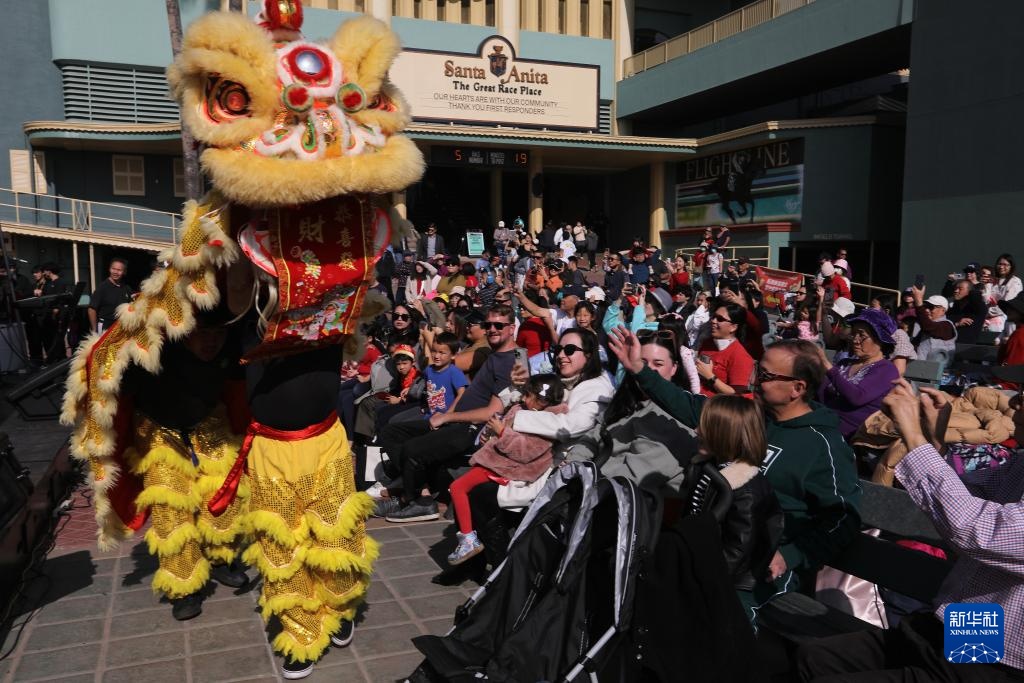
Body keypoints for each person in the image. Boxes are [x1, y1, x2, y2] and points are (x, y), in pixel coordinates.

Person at [609, 332, 861, 617]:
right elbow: (691, 407)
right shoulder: (751, 412)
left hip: (762, 569)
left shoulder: (823, 446)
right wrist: (641, 371)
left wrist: (791, 555)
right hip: (712, 548)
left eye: (765, 375)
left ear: (797, 388)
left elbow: (843, 518)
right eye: (757, 369)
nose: (755, 379)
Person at [796, 379, 1024, 682]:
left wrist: (914, 438)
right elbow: (967, 496)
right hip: (973, 625)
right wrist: (933, 440)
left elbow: (976, 528)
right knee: (813, 659)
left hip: (1000, 662)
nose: (1016, 401)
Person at [121, 313, 249, 621]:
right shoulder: (151, 350)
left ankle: (220, 559)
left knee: (222, 496)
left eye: (219, 331)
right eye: (203, 332)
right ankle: (184, 586)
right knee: (171, 509)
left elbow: (238, 388)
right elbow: (116, 384)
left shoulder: (231, 349)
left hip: (209, 423)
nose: (212, 340)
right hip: (158, 431)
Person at [375, 305, 518, 522]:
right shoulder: (493, 354)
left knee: (412, 448)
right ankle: (418, 490)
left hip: (470, 429)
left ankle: (416, 501)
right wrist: (445, 415)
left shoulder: (510, 362)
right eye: (488, 325)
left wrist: (447, 416)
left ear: (512, 328)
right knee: (391, 432)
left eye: (498, 325)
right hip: (453, 419)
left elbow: (491, 412)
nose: (492, 329)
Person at [680, 394, 784, 623]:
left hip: (723, 582)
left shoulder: (745, 489)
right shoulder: (708, 469)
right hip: (697, 564)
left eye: (706, 427)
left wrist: (694, 576)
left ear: (726, 435)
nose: (697, 430)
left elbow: (736, 552)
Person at [447, 374, 566, 565]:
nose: (524, 399)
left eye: (529, 396)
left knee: (458, 487)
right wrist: (490, 433)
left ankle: (468, 540)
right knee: (461, 489)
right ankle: (469, 542)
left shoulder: (548, 421)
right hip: (496, 461)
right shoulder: (523, 408)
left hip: (507, 467)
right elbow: (501, 428)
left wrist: (502, 432)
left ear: (543, 400)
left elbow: (526, 450)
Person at [817, 308, 900, 439]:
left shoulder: (887, 369)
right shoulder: (845, 363)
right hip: (823, 424)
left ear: (879, 340)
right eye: (854, 334)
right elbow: (821, 395)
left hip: (849, 436)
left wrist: (827, 366)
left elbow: (857, 397)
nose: (855, 340)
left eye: (861, 335)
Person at [693, 302, 755, 396]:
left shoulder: (741, 356)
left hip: (712, 406)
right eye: (714, 316)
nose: (713, 321)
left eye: (720, 319)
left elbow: (736, 395)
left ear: (733, 327)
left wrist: (710, 376)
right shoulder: (708, 343)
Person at [911, 287, 958, 363]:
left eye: (931, 307)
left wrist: (919, 303)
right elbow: (913, 345)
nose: (927, 310)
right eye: (926, 307)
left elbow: (928, 327)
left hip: (939, 371)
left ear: (943, 310)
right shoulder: (928, 326)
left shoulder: (947, 325)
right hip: (922, 367)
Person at [89, 257, 135, 334]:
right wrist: (94, 330)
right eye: (113, 269)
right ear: (109, 269)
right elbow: (91, 309)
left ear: (124, 272)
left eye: (119, 270)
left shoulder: (126, 288)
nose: (115, 272)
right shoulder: (102, 287)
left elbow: (132, 305)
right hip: (105, 327)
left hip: (120, 327)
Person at [946, 278, 988, 344]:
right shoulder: (953, 309)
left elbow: (976, 296)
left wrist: (973, 288)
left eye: (960, 289)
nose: (956, 291)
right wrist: (957, 324)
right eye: (955, 288)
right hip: (949, 345)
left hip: (966, 347)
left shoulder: (978, 309)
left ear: (969, 292)